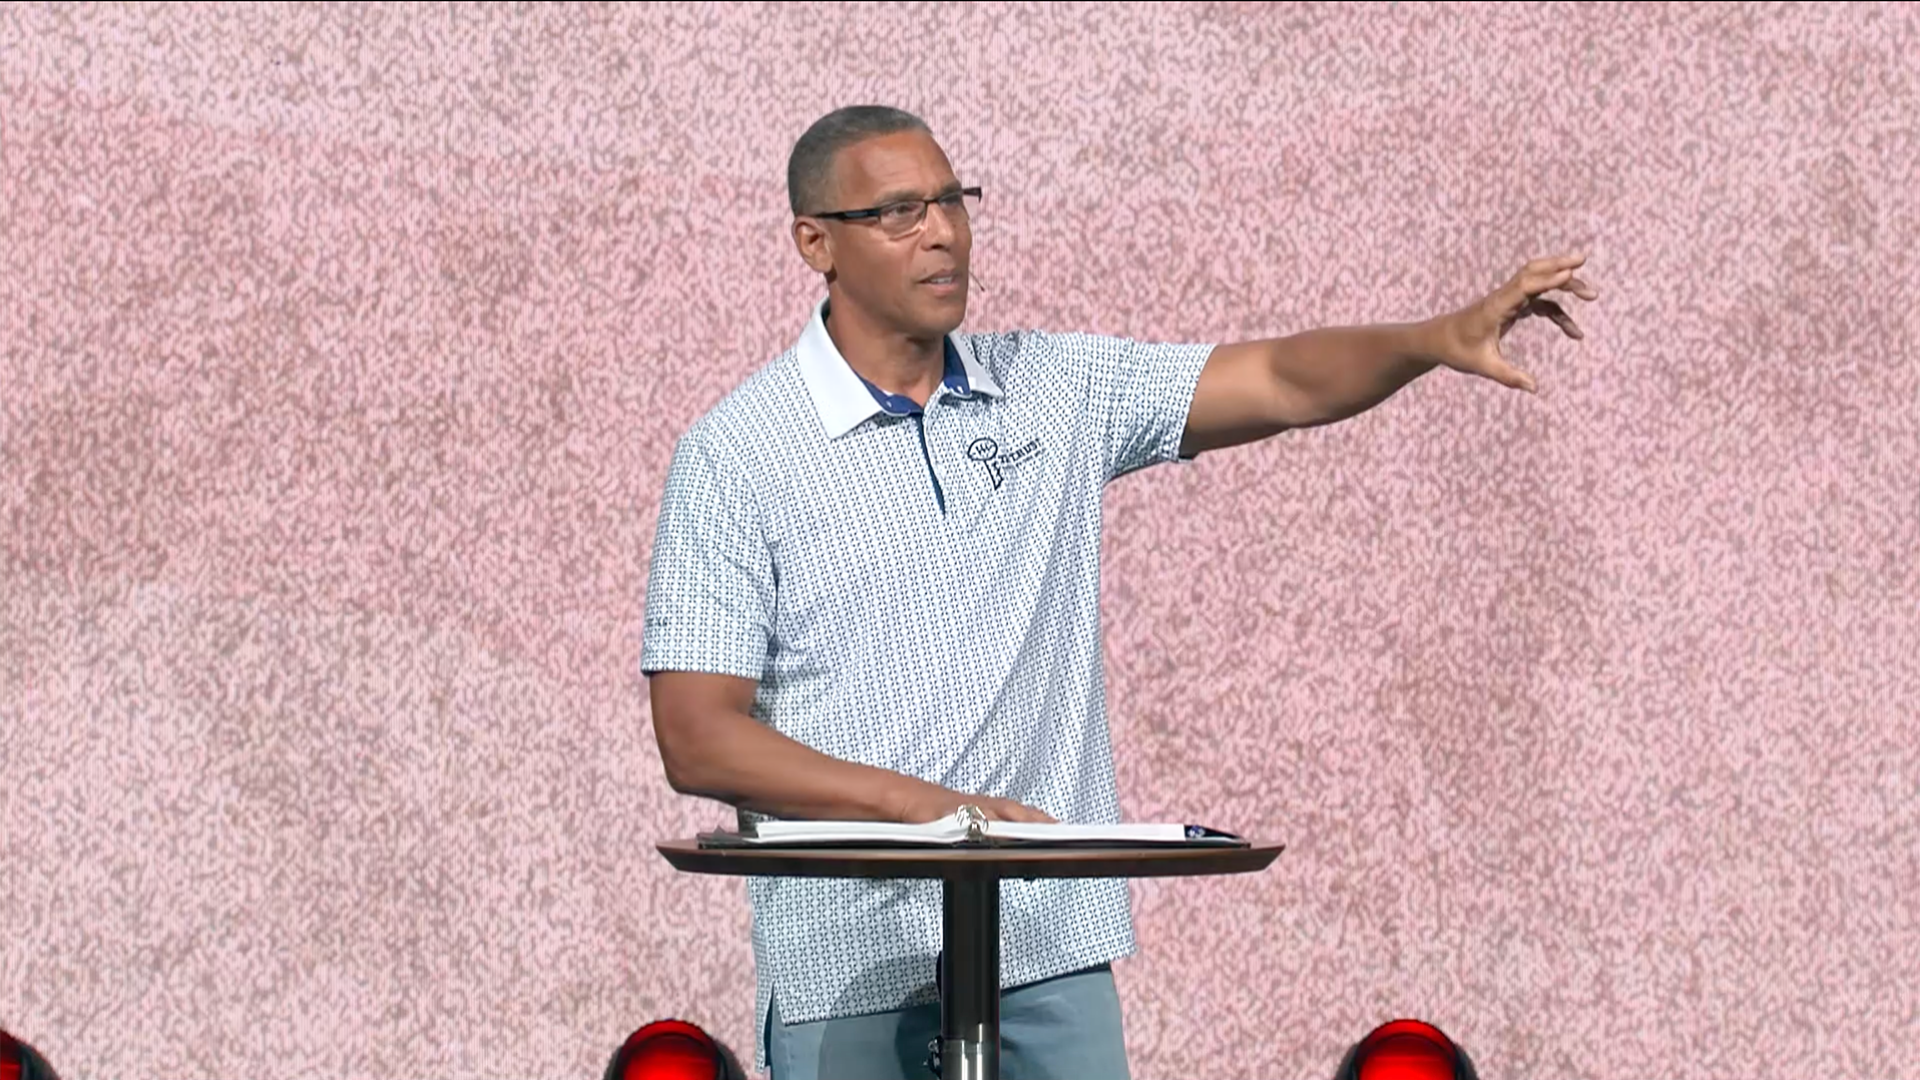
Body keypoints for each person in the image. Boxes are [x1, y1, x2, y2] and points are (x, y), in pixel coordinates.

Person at [639, 104, 1597, 1080]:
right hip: (846, 968)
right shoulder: (737, 454)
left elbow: (1280, 379)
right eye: (898, 212)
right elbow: (698, 737)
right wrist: (937, 813)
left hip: (1049, 950)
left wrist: (1434, 337)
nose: (942, 233)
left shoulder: (1055, 387)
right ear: (816, 243)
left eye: (953, 201)